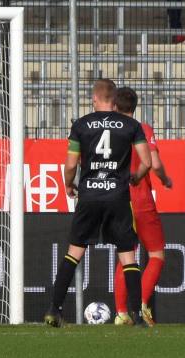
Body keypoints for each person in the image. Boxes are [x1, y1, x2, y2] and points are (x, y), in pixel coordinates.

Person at [44, 79, 152, 328]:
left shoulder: (81, 125)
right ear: (114, 100)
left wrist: (68, 185)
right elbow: (146, 161)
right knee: (127, 255)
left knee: (74, 253)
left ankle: (54, 309)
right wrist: (134, 178)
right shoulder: (131, 125)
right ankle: (136, 314)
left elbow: (71, 164)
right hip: (117, 196)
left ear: (94, 99)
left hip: (89, 195)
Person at [112, 87, 172, 326]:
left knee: (125, 256)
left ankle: (121, 313)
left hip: (117, 199)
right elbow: (154, 163)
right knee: (156, 254)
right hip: (141, 199)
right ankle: (143, 305)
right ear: (135, 107)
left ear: (115, 107)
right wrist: (165, 180)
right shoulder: (142, 128)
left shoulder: (109, 132)